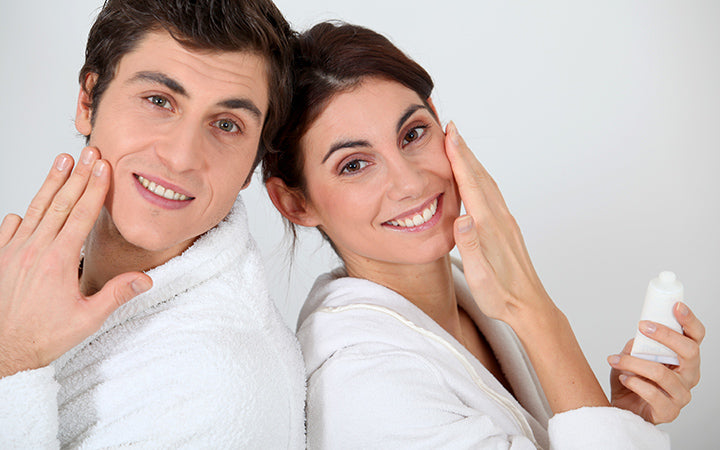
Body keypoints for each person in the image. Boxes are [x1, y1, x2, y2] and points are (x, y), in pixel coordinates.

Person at [263, 22, 704, 448]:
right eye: (354, 164)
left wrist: (620, 417)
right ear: (295, 203)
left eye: (413, 134)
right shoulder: (364, 388)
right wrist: (533, 310)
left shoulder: (467, 294)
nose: (411, 183)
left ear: (438, 120)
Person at [0, 0, 305, 447]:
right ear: (88, 100)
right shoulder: (25, 279)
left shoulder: (220, 392)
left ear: (251, 167)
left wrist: (14, 361)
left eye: (226, 124)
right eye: (159, 100)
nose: (181, 157)